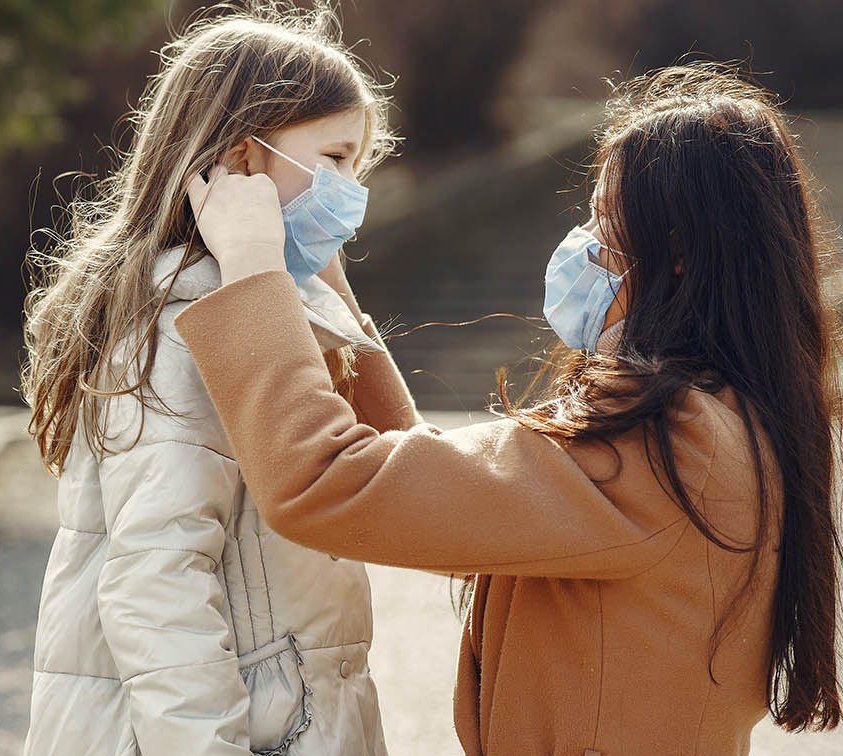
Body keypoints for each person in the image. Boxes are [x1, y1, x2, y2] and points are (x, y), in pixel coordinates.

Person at [176, 63, 841, 755]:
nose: (582, 242)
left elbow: (326, 482)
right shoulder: (730, 420)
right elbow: (439, 496)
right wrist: (333, 291)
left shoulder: (670, 437)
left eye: (603, 219)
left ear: (674, 253)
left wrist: (255, 269)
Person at [19, 5, 412, 755]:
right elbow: (156, 586)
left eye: (357, 166)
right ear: (239, 160)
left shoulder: (260, 306)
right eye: (331, 160)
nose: (349, 190)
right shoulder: (189, 320)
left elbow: (394, 476)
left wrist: (309, 271)